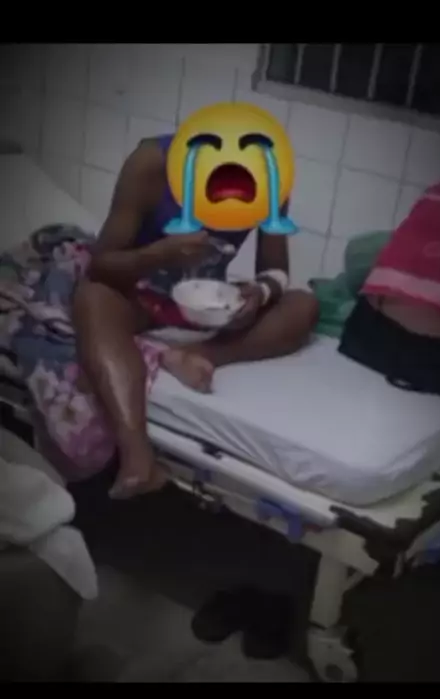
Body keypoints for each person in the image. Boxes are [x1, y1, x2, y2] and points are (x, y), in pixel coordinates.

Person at [73, 135, 318, 499]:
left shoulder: (270, 177)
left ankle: (195, 355)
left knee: (303, 305)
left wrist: (261, 292)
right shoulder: (150, 164)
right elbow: (101, 265)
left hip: (202, 304)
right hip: (137, 293)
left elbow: (276, 271)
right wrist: (158, 255)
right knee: (91, 296)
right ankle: (139, 461)